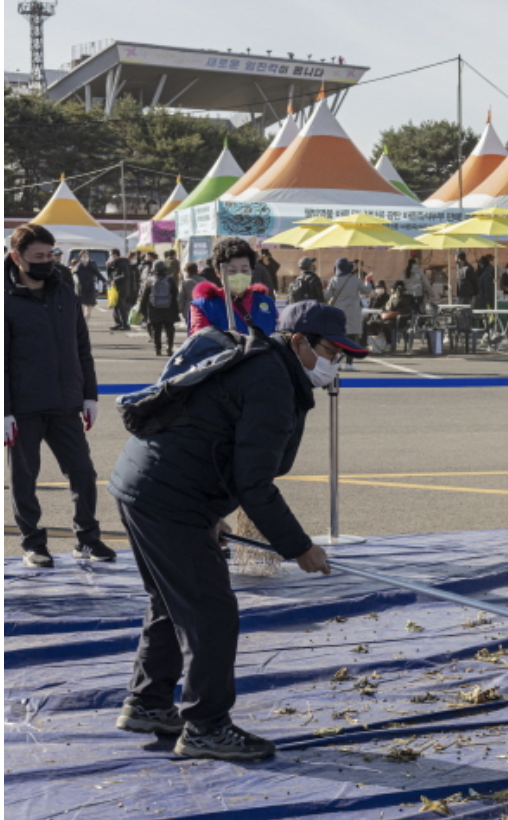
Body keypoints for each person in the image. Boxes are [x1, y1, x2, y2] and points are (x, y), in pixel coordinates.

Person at [109, 301, 358, 761]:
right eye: (332, 351)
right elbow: (254, 482)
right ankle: (206, 727)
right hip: (167, 497)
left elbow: (209, 434)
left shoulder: (266, 365)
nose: (335, 364)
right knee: (211, 613)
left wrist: (211, 512)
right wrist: (299, 547)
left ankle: (148, 703)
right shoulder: (272, 382)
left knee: (171, 600)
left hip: (148, 486)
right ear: (299, 341)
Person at [5, 224, 115, 568]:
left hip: (66, 403)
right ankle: (33, 544)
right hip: (23, 407)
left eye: (50, 255)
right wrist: (4, 410)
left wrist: (89, 395)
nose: (47, 262)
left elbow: (81, 347)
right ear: (16, 257)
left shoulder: (64, 291)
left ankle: (87, 538)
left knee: (83, 472)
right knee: (25, 478)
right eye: (38, 257)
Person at [189, 237, 279, 338]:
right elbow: (200, 344)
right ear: (218, 272)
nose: (239, 276)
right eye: (232, 271)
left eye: (245, 271)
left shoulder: (266, 302)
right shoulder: (203, 306)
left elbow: (275, 337)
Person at [325, 257, 365, 370]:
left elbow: (326, 296)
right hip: (352, 312)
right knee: (351, 339)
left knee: (337, 339)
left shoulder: (333, 280)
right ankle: (349, 363)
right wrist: (367, 281)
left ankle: (337, 363)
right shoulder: (355, 279)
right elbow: (366, 290)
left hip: (337, 312)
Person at [138, 260, 181, 357]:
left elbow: (145, 296)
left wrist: (142, 310)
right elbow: (175, 294)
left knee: (156, 330)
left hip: (154, 308)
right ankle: (169, 348)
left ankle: (158, 349)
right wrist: (177, 309)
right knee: (169, 329)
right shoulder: (170, 279)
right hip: (168, 308)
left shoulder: (150, 280)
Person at [106, 248, 135, 330]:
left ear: (116, 255)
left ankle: (125, 324)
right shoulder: (113, 264)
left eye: (111, 255)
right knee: (115, 306)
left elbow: (124, 275)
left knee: (122, 307)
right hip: (114, 288)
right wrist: (108, 267)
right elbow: (110, 276)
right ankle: (118, 323)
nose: (110, 256)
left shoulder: (122, 264)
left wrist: (115, 280)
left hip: (122, 289)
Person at [72, 251, 104, 321]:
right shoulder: (78, 265)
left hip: (90, 286)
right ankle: (81, 318)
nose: (85, 257)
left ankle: (87, 317)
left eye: (87, 256)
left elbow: (97, 273)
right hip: (81, 287)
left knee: (90, 303)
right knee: (81, 303)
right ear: (80, 258)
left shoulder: (92, 264)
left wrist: (104, 280)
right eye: (83, 256)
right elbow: (73, 274)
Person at [178, 261, 202, 332]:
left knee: (190, 328)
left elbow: (181, 297)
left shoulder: (184, 282)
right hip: (202, 307)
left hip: (189, 307)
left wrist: (180, 309)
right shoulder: (204, 280)